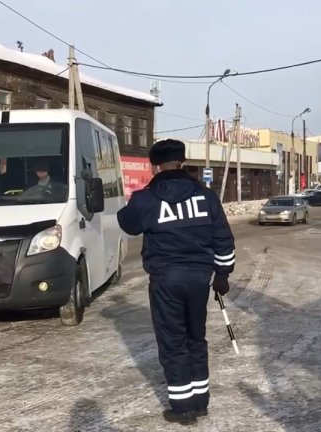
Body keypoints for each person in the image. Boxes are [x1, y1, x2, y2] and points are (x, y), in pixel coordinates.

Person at [116, 139, 236, 425]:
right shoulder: (205, 196)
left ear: (155, 165)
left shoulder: (146, 198)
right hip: (199, 279)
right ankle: (201, 402)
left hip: (166, 280)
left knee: (173, 342)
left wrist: (131, 202)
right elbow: (223, 238)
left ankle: (182, 409)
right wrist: (222, 274)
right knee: (196, 337)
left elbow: (128, 224)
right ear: (182, 161)